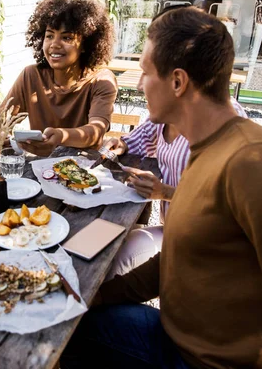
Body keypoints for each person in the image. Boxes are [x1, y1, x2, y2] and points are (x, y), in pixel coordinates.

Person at [62, 7, 262, 368]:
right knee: (68, 325)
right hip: (171, 334)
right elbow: (172, 263)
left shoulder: (249, 162)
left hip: (203, 361)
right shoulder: (204, 149)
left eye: (145, 71)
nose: (139, 84)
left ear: (177, 82)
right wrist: (89, 297)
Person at [103, 98, 247, 279]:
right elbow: (141, 138)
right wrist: (122, 145)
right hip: (172, 229)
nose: (140, 85)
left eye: (147, 74)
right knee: (111, 254)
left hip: (212, 243)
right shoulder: (167, 107)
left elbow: (230, 201)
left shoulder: (225, 117)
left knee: (118, 261)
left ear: (177, 76)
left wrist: (165, 193)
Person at [4, 0, 117, 157]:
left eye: (67, 38)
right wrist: (6, 139)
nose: (54, 44)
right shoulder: (31, 75)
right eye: (49, 36)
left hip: (83, 173)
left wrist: (61, 137)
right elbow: (1, 120)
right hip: (39, 169)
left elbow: (96, 131)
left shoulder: (101, 81)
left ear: (85, 44)